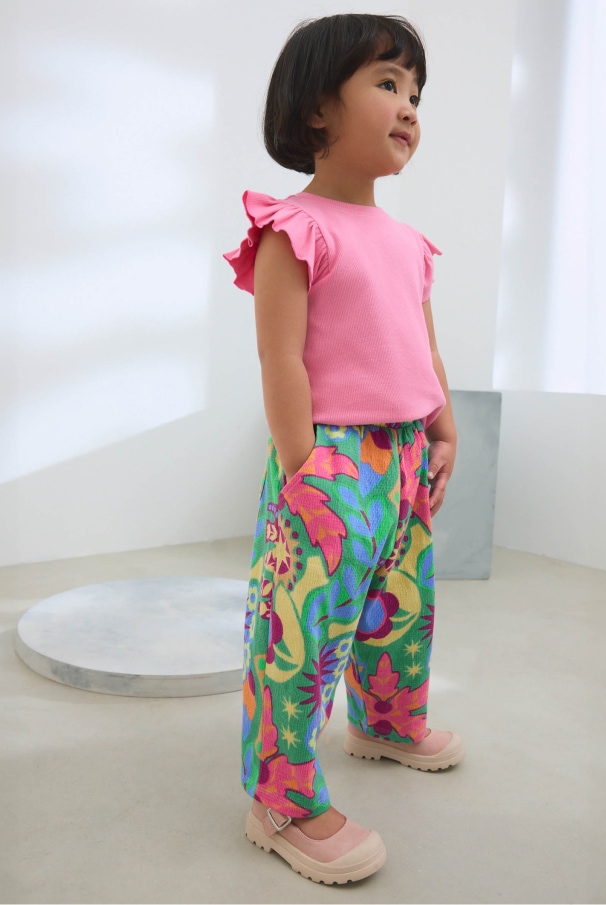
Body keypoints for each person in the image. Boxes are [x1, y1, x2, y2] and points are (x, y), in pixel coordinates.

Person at [223, 12, 464, 885]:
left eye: (415, 91)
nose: (409, 106)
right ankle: (280, 797)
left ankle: (387, 719)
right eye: (388, 84)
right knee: (300, 627)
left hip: (403, 457)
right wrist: (302, 466)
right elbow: (280, 355)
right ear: (319, 108)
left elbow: (421, 347)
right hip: (329, 463)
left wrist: (441, 424)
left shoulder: (408, 244)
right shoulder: (295, 226)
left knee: (401, 604)